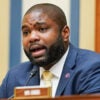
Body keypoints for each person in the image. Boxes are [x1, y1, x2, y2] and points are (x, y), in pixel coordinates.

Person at [1, 3, 100, 98]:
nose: (32, 37)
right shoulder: (14, 77)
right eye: (26, 32)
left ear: (65, 33)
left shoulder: (92, 68)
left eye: (42, 29)